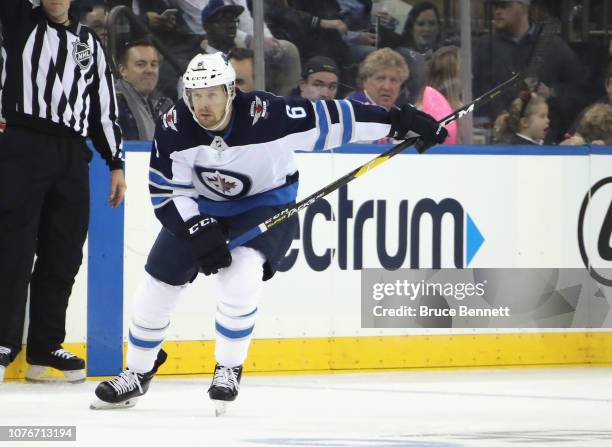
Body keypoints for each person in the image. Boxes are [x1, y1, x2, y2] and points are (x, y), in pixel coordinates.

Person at [90, 51, 447, 411]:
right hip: (202, 207)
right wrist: (198, 228)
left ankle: (228, 367)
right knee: (156, 285)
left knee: (242, 274)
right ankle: (137, 372)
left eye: (212, 94)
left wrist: (399, 121)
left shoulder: (269, 115)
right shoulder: (174, 125)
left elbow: (335, 118)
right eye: (196, 95)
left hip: (264, 202)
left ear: (230, 91)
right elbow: (167, 192)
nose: (203, 105)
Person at [0, 0, 126, 383]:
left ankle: (45, 346)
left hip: (72, 152)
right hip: (21, 144)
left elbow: (103, 107)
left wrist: (116, 162)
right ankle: (4, 342)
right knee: (13, 249)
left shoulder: (88, 41)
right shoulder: (18, 20)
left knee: (64, 251)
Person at [473, 0, 582, 143]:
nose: (497, 11)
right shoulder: (485, 47)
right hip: (497, 142)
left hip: (544, 146)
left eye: (504, 5)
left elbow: (579, 92)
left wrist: (552, 92)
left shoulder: (554, 46)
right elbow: (476, 93)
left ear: (523, 6)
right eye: (495, 6)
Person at [116, 40, 173, 141]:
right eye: (141, 64)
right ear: (123, 70)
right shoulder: (113, 103)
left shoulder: (165, 105)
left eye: (154, 64)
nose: (149, 70)